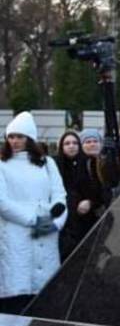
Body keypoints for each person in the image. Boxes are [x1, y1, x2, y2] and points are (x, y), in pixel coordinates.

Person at [0, 112, 67, 314]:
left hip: (45, 233)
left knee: (43, 295)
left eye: (20, 136)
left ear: (30, 138)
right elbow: (2, 202)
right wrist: (33, 220)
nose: (15, 141)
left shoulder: (47, 163)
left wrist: (54, 222)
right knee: (16, 289)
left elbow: (59, 196)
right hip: (15, 232)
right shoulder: (2, 164)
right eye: (11, 137)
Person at [53, 131, 99, 261]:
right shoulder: (55, 165)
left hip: (85, 221)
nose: (71, 146)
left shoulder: (89, 163)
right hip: (63, 222)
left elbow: (98, 191)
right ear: (61, 147)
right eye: (67, 143)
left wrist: (90, 202)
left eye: (74, 143)